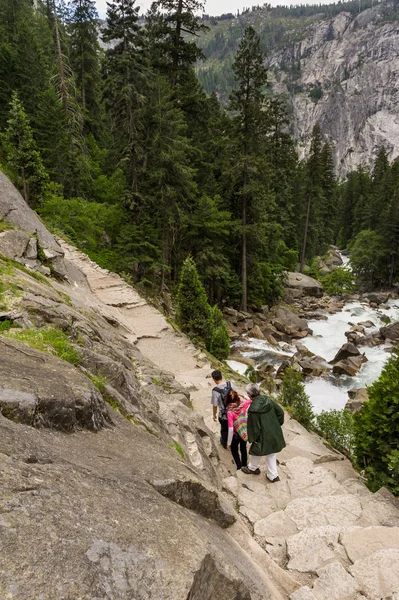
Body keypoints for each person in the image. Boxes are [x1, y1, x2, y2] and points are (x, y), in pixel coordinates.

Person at [241, 383, 286, 482]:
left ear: (249, 394)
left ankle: (253, 468)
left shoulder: (253, 410)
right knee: (271, 453)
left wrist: (252, 438)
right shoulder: (268, 400)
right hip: (274, 431)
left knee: (257, 449)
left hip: (263, 434)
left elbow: (254, 427)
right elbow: (281, 413)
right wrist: (276, 425)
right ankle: (272, 476)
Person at [225, 389, 251, 471]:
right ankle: (244, 464)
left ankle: (239, 467)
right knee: (243, 448)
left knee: (234, 450)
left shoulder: (229, 411)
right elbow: (250, 400)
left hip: (236, 434)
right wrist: (242, 395)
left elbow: (231, 428)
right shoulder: (243, 405)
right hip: (244, 432)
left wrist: (228, 443)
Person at [211, 370, 233, 449]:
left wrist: (214, 414)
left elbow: (214, 405)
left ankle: (225, 443)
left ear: (214, 379)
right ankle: (233, 443)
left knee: (224, 430)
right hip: (233, 412)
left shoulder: (215, 390)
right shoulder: (230, 384)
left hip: (224, 414)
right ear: (221, 376)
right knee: (233, 427)